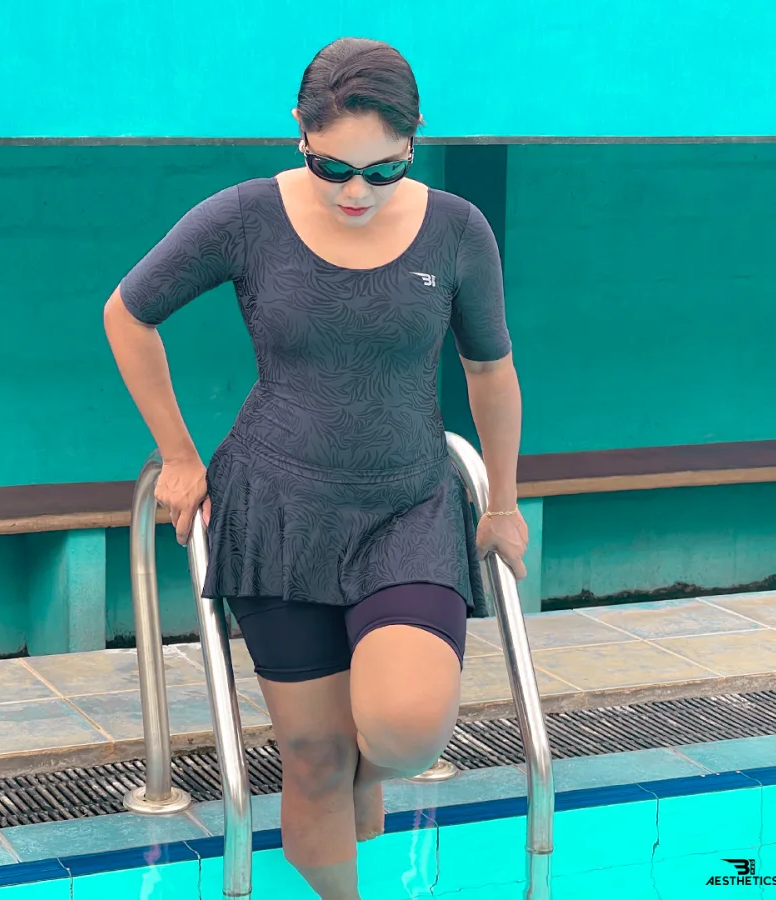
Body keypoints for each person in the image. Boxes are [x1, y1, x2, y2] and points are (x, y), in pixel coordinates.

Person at [104, 36, 528, 900]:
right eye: (333, 167)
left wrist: (506, 502)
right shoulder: (245, 217)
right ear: (299, 131)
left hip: (408, 504)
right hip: (278, 506)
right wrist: (181, 454)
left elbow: (490, 370)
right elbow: (127, 313)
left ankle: (363, 778)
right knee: (312, 754)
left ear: (415, 140)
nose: (357, 193)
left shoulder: (457, 230)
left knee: (406, 732)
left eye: (384, 170)